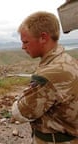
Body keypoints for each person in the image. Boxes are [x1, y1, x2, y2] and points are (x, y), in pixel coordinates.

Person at [11, 11, 78, 144]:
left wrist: (20, 99)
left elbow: (20, 113)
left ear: (43, 38)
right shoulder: (67, 60)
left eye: (25, 41)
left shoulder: (49, 74)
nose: (23, 47)